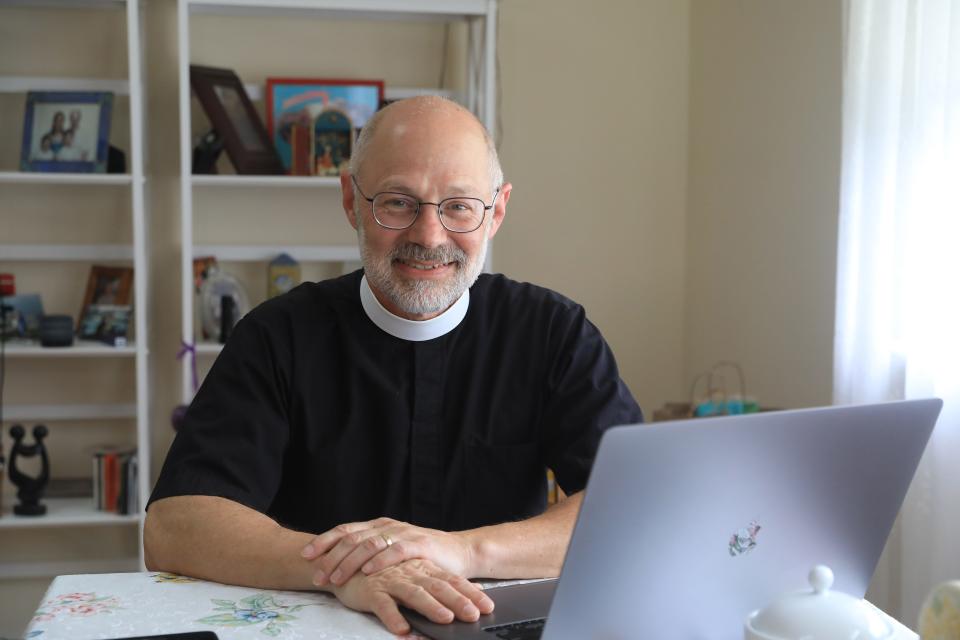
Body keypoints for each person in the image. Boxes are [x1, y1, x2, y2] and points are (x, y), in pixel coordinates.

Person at [144, 96, 642, 635]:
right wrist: (340, 571)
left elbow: (635, 510)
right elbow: (175, 526)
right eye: (398, 203)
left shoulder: (553, 332)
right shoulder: (277, 336)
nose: (429, 237)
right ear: (350, 201)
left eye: (458, 206)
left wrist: (462, 551)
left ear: (495, 211)